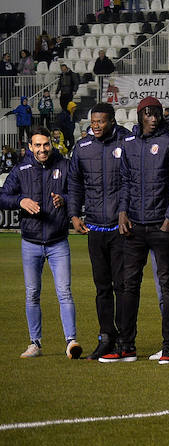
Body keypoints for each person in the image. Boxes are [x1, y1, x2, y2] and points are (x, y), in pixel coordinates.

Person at [113, 97, 169, 364]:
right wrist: (122, 211)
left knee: (168, 287)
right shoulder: (129, 144)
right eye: (148, 113)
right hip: (134, 226)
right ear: (139, 116)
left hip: (162, 227)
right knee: (127, 286)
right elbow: (124, 181)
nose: (153, 118)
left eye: (157, 113)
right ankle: (126, 346)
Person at [3, 129, 81, 359]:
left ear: (51, 144)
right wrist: (20, 200)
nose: (42, 149)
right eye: (37, 145)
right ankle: (35, 343)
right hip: (31, 242)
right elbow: (2, 196)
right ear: (30, 147)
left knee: (64, 292)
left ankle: (71, 341)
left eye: (46, 144)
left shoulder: (64, 165)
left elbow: (76, 193)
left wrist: (64, 199)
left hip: (58, 242)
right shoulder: (21, 170)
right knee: (32, 294)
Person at [67, 103, 130, 360]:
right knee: (102, 287)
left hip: (121, 229)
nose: (96, 126)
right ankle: (106, 337)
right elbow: (74, 183)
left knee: (122, 286)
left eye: (101, 122)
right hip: (94, 227)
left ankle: (125, 339)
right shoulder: (82, 148)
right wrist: (73, 213)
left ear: (112, 121)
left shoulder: (126, 142)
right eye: (93, 122)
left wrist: (125, 210)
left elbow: (130, 181)